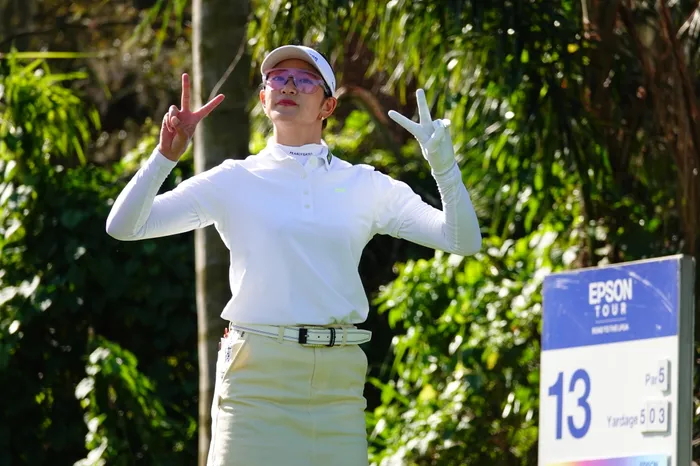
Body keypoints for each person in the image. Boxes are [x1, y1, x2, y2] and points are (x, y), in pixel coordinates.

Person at [106, 44, 481, 466]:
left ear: (328, 106)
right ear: (264, 98)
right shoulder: (234, 179)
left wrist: (444, 168)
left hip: (338, 389)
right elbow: (125, 226)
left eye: (304, 80)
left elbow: (461, 240)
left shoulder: (366, 185)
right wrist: (164, 158)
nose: (288, 86)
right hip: (255, 383)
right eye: (277, 78)